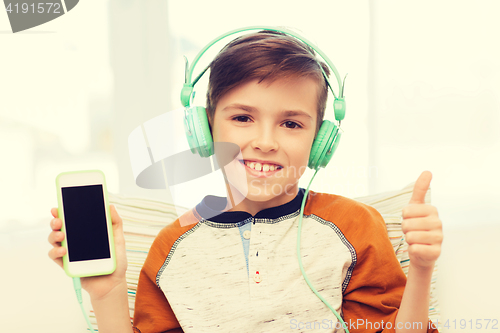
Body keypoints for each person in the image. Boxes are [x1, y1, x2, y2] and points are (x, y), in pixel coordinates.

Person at [48, 29, 443, 333]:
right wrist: (109, 293)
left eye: (291, 123)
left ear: (320, 142)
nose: (265, 142)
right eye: (242, 118)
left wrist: (421, 269)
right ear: (203, 130)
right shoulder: (171, 246)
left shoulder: (355, 225)